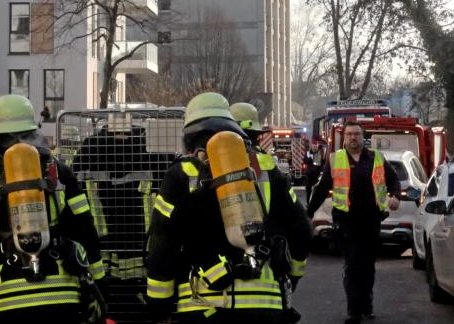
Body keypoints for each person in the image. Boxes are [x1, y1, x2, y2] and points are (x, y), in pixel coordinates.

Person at [0, 95, 106, 324]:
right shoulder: (59, 172)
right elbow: (85, 231)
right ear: (32, 130)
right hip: (64, 298)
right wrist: (100, 285)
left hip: (8, 301)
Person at [145, 93, 312, 324]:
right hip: (265, 305)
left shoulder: (181, 174)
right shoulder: (267, 169)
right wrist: (289, 278)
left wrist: (159, 306)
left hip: (202, 304)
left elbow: (162, 242)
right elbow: (302, 231)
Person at [306, 122, 400, 324]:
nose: (353, 138)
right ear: (344, 137)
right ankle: (354, 310)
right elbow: (322, 189)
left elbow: (394, 180)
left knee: (367, 266)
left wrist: (395, 197)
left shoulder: (376, 157)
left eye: (356, 134)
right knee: (352, 265)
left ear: (362, 136)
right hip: (346, 221)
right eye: (349, 134)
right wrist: (309, 213)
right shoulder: (335, 159)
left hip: (371, 220)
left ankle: (366, 304)